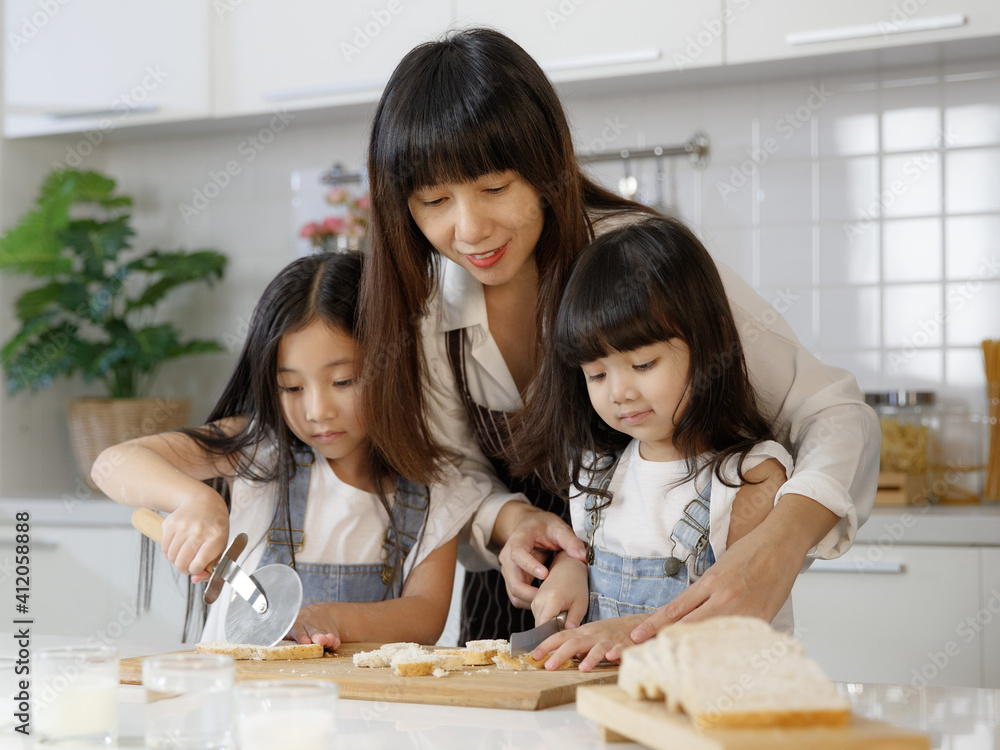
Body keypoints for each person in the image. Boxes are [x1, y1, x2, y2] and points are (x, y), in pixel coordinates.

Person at [358, 27, 880, 643]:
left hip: (678, 632)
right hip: (517, 620)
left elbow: (834, 413)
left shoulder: (641, 267)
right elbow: (450, 472)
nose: (469, 229)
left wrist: (781, 540)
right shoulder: (426, 315)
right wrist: (510, 518)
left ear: (546, 168)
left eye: (495, 188)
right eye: (434, 201)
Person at [93, 252, 477, 648]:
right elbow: (111, 464)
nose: (317, 411)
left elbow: (425, 615)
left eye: (344, 381)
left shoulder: (433, 486)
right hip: (236, 704)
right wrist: (195, 499)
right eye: (292, 388)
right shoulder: (258, 451)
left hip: (356, 706)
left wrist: (329, 618)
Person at [512, 217, 792, 670]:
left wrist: (636, 632)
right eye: (597, 374)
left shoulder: (750, 477)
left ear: (708, 343)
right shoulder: (597, 470)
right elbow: (588, 555)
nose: (618, 391)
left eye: (642, 364)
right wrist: (569, 572)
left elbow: (741, 617)